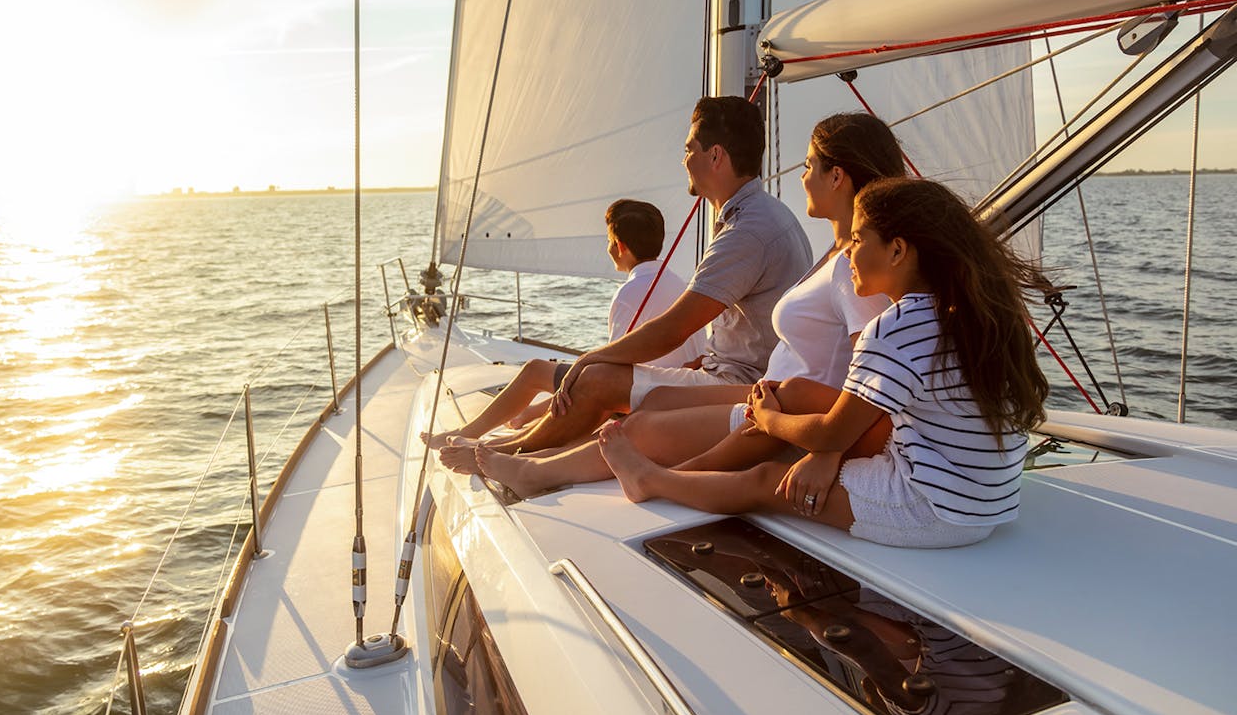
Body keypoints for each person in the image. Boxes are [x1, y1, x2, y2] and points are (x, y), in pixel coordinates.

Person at [600, 177, 1050, 549]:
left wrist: (770, 419)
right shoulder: (969, 313)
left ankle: (652, 481)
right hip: (987, 501)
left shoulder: (896, 326)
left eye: (858, 239)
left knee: (765, 480)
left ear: (897, 251)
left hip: (933, 508)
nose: (847, 252)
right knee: (798, 393)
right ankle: (691, 470)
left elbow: (834, 432)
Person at [472, 113, 904, 497]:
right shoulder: (834, 251)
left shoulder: (850, 265)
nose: (801, 176)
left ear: (837, 177)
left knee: (628, 413)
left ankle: (534, 469)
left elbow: (872, 372)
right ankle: (535, 456)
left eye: (809, 165)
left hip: (787, 410)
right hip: (772, 392)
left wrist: (828, 448)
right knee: (654, 402)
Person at [438, 96, 812, 471]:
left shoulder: (747, 230)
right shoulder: (765, 216)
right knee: (598, 378)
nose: (684, 160)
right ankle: (514, 444)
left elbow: (673, 330)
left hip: (742, 386)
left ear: (715, 156)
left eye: (689, 150)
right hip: (738, 375)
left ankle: (510, 455)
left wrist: (591, 357)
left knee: (596, 379)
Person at [424, 199, 704, 445]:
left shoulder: (630, 294)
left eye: (609, 241)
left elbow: (608, 373)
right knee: (567, 377)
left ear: (620, 246)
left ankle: (469, 432)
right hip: (674, 390)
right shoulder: (680, 284)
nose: (608, 247)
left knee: (535, 370)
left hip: (639, 394)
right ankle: (526, 415)